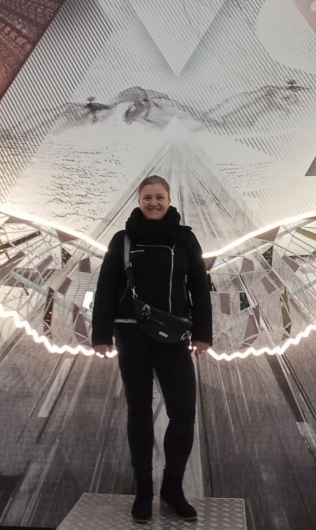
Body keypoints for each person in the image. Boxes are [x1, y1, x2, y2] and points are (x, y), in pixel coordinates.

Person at [91, 175, 212, 524]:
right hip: (131, 335)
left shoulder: (185, 239)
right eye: (148, 197)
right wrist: (101, 334)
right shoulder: (123, 240)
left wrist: (203, 333)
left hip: (173, 337)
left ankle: (172, 488)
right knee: (139, 412)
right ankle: (143, 489)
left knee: (183, 414)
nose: (154, 203)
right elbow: (106, 286)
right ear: (139, 200)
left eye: (159, 197)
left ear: (169, 200)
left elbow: (199, 287)